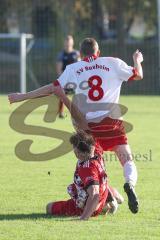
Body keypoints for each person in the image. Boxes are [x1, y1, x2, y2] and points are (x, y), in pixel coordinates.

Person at [8, 38, 143, 214]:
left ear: (80, 53)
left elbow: (52, 88)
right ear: (98, 52)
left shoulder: (74, 68)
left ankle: (104, 197)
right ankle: (129, 184)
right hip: (112, 121)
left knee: (95, 165)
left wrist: (22, 96)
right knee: (127, 159)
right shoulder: (113, 62)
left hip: (88, 126)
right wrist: (137, 60)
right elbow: (137, 74)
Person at [46, 131, 124, 220]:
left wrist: (83, 218)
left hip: (91, 205)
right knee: (94, 184)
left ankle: (103, 206)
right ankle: (113, 198)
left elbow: (94, 195)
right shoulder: (96, 151)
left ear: (79, 152)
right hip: (103, 190)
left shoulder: (86, 168)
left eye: (74, 147)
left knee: (49, 207)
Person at [56, 35, 80, 118]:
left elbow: (80, 67)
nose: (68, 44)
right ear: (64, 43)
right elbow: (59, 69)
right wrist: (63, 79)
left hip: (75, 79)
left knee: (80, 95)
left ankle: (79, 112)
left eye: (70, 43)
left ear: (72, 43)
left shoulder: (76, 54)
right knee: (62, 95)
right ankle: (60, 112)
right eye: (67, 43)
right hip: (65, 78)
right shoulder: (61, 54)